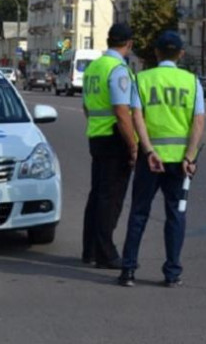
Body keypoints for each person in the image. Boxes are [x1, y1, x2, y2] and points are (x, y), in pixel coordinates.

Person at [118, 30, 205, 288]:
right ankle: (172, 273)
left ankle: (128, 270)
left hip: (150, 161)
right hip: (180, 163)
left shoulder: (142, 79)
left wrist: (148, 151)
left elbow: (137, 117)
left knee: (138, 214)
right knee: (176, 215)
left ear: (156, 52)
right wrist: (190, 156)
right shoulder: (191, 81)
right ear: (181, 54)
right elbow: (198, 122)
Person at [81, 23, 139, 270]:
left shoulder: (94, 67)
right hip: (115, 138)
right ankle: (106, 253)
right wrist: (134, 145)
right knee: (111, 199)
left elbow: (86, 106)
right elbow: (121, 111)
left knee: (97, 195)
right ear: (129, 43)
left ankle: (90, 250)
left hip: (97, 136)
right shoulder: (118, 69)